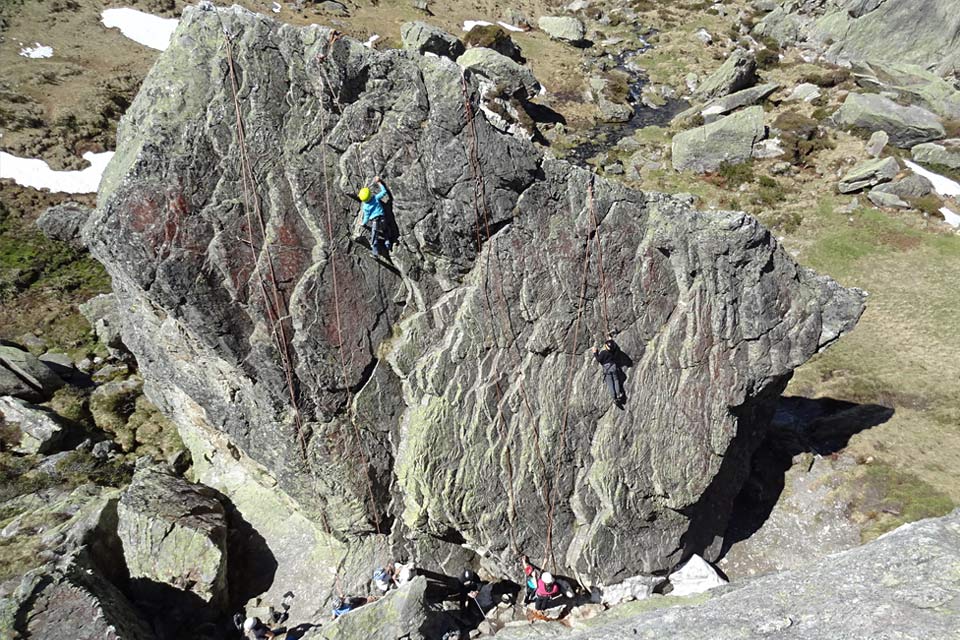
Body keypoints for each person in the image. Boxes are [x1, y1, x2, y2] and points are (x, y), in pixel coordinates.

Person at [357, 177, 391, 257]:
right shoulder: (375, 198)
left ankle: (375, 253)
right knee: (385, 230)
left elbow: (366, 216)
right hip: (383, 218)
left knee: (374, 238)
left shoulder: (365, 207)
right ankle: (388, 244)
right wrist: (379, 182)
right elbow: (384, 192)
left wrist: (363, 223)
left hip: (375, 222)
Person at [591, 333, 626, 407]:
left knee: (610, 384)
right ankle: (618, 393)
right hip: (613, 367)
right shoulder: (614, 351)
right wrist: (610, 339)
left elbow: (599, 359)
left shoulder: (603, 353)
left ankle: (614, 398)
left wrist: (595, 353)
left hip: (607, 369)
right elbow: (615, 346)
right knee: (616, 380)